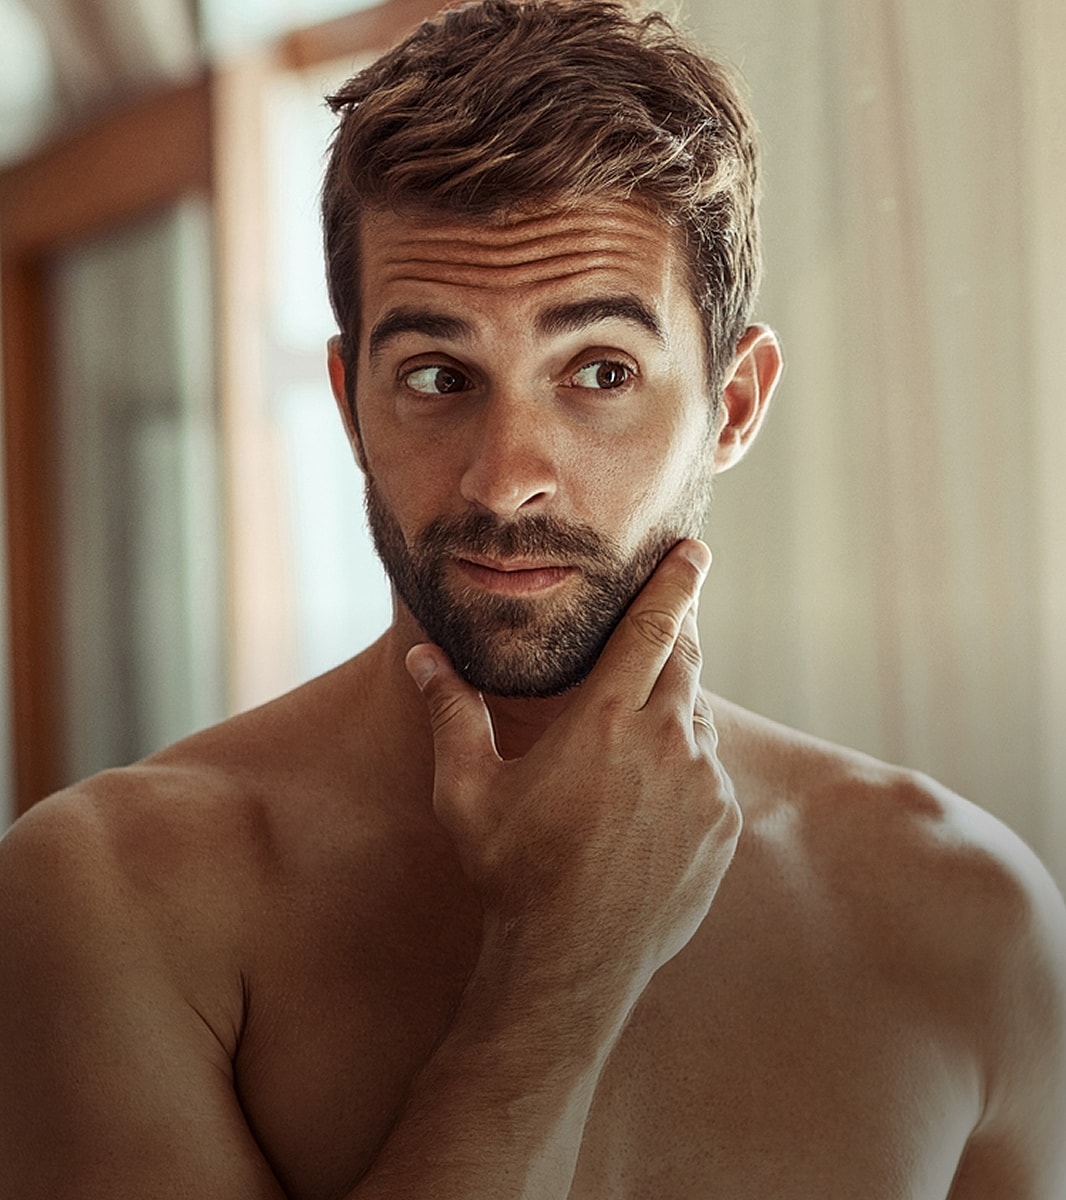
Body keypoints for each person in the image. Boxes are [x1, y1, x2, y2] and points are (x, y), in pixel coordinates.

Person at [1, 0, 1064, 1195]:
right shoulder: (110, 897)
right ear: (351, 403)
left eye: (600, 372)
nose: (505, 478)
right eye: (438, 375)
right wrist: (558, 972)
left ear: (733, 406)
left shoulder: (969, 919)